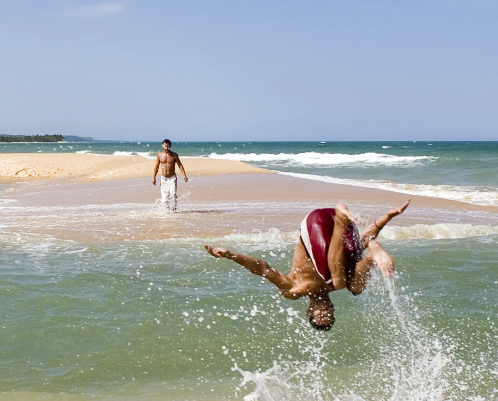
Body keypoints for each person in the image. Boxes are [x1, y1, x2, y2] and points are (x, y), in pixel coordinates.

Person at [205, 201, 410, 329]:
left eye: (319, 317)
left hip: (316, 224)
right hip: (343, 228)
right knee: (355, 286)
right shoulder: (340, 280)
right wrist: (387, 218)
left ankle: (348, 226)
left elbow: (263, 269)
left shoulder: (294, 289)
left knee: (339, 281)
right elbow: (358, 243)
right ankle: (372, 252)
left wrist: (230, 255)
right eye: (328, 316)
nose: (324, 313)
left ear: (308, 312)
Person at [152, 139, 190, 211]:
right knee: (164, 198)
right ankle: (167, 211)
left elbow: (180, 165)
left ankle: (174, 209)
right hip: (163, 179)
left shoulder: (174, 155)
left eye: (168, 146)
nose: (167, 148)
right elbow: (156, 166)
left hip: (172, 178)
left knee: (173, 195)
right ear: (162, 146)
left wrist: (184, 175)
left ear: (170, 146)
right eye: (165, 146)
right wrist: (154, 177)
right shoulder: (160, 155)